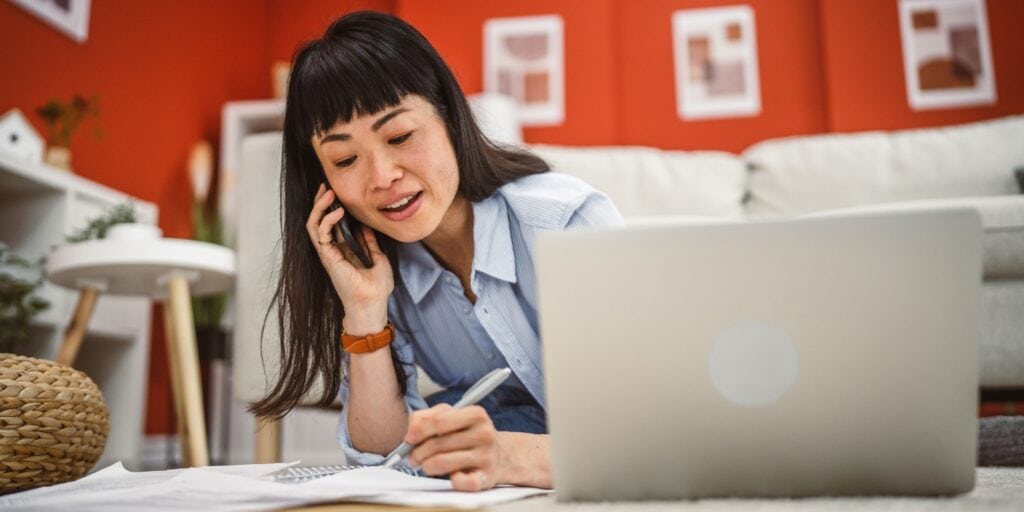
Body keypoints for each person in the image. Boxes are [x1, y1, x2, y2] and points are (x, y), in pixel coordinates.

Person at [250, 11, 622, 491]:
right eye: (345, 160)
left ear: (448, 114)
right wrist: (364, 310)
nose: (381, 177)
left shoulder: (567, 224)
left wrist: (509, 457)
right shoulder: (384, 268)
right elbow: (377, 453)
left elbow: (655, 427)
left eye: (400, 136)